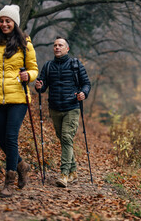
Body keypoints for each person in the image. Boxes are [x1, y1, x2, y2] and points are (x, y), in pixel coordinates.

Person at [0, 4, 38, 197]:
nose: (4, 24)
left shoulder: (25, 45)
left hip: (18, 98)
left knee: (11, 137)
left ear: (15, 23)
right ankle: (21, 165)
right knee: (2, 140)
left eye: (8, 21)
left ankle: (9, 182)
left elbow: (34, 69)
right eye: (2, 21)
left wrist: (28, 75)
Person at [35, 36, 91, 188]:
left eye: (60, 45)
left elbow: (86, 83)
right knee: (64, 139)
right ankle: (73, 173)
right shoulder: (47, 66)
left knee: (66, 137)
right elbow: (42, 86)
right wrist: (38, 86)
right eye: (55, 45)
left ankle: (64, 174)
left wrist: (83, 93)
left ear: (67, 49)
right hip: (54, 108)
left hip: (71, 107)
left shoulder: (75, 64)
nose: (57, 47)